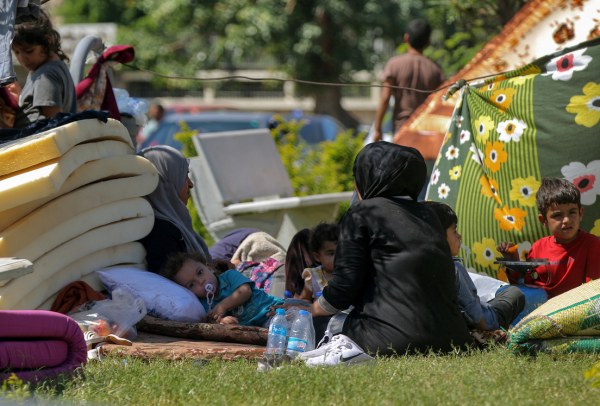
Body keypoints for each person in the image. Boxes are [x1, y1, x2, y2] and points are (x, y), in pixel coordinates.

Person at [308, 142, 473, 360]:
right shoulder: (430, 215)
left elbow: (344, 288)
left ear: (367, 179)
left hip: (389, 340)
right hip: (452, 338)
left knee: (313, 321)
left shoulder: (362, 213)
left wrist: (311, 310)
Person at [424, 201, 525, 330]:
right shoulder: (453, 268)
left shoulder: (412, 265)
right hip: (472, 326)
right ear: (438, 236)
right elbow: (478, 318)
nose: (459, 236)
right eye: (455, 231)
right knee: (514, 293)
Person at [498, 177, 600, 298]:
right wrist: (513, 263)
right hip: (541, 310)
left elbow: (593, 291)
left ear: (580, 213)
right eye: (558, 215)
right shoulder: (538, 248)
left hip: (577, 309)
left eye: (572, 212)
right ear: (544, 220)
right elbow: (527, 287)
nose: (567, 220)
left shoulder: (593, 245)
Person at [139, 145, 212, 274]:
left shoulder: (171, 221)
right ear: (165, 183)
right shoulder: (160, 234)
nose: (191, 184)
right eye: (184, 176)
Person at [163, 251, 284, 327]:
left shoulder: (229, 276)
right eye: (191, 284)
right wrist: (223, 321)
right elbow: (213, 322)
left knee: (297, 311)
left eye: (200, 273)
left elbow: (244, 292)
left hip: (274, 308)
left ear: (208, 267)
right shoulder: (203, 305)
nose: (200, 281)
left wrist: (223, 306)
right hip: (262, 324)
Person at [372, 19, 444, 142]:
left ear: (406, 38)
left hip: (402, 129)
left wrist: (378, 129)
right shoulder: (435, 70)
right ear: (428, 42)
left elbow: (385, 98)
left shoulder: (394, 64)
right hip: (426, 131)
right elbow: (440, 103)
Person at [11, 9, 76, 128]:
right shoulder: (55, 66)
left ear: (47, 41)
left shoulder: (46, 76)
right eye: (16, 52)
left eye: (29, 51)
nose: (22, 59)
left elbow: (54, 127)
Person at [298, 223, 339, 301]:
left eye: (341, 251)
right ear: (317, 256)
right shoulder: (313, 276)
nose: (338, 257)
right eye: (331, 253)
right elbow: (304, 299)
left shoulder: (350, 274)